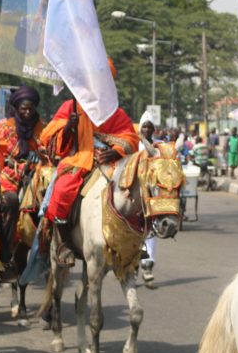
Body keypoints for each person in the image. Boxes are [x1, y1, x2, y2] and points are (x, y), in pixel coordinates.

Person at [33, 60, 139, 268]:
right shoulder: (70, 106)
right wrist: (68, 127)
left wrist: (114, 151)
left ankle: (134, 240)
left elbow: (130, 138)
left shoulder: (115, 111)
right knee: (62, 190)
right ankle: (64, 243)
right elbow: (50, 138)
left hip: (111, 163)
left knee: (135, 191)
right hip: (79, 159)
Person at [0, 85, 46, 281]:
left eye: (30, 108)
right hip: (9, 173)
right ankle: (4, 249)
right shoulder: (4, 127)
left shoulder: (41, 127)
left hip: (35, 171)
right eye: (23, 108)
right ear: (16, 109)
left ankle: (53, 247)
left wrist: (42, 156)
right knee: (11, 200)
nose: (27, 112)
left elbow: (47, 148)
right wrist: (9, 161)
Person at [138, 111, 160, 287]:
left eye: (149, 127)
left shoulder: (159, 148)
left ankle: (148, 267)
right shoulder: (133, 145)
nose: (146, 129)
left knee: (151, 230)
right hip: (134, 191)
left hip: (152, 193)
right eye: (144, 126)